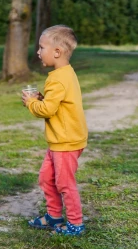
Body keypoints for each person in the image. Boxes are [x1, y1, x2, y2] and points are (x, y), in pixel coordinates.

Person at [22, 25, 88, 236]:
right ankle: (54, 216)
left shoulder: (57, 78)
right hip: (60, 140)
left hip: (66, 142)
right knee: (46, 178)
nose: (39, 52)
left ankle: (76, 224)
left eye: (42, 48)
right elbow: (56, 103)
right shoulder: (65, 73)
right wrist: (42, 99)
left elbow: (47, 110)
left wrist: (32, 103)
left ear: (57, 52)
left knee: (64, 183)